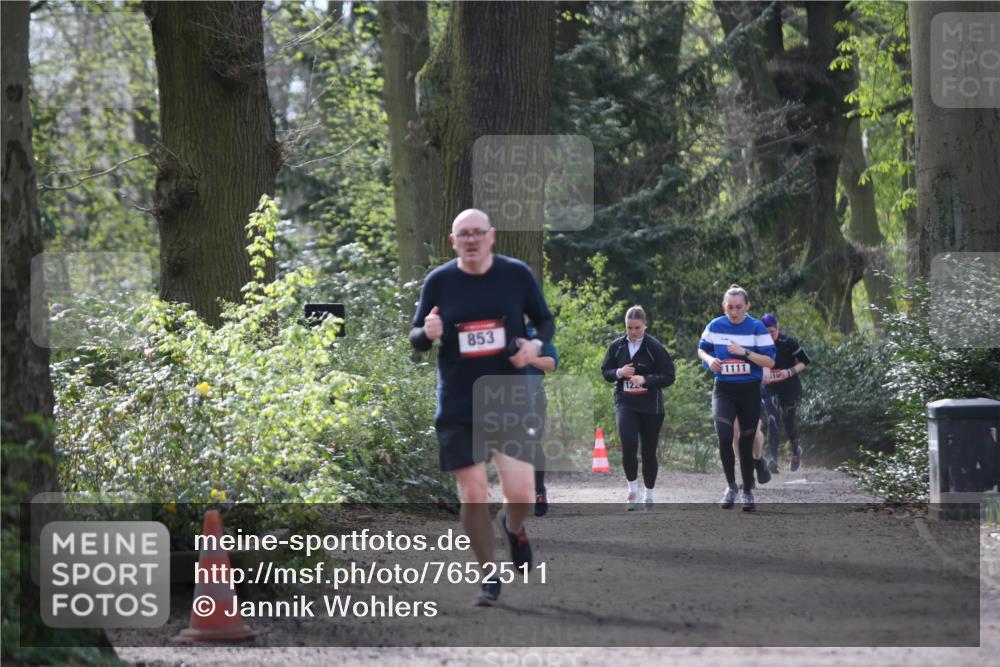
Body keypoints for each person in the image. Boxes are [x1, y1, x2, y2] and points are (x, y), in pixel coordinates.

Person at [410, 209, 555, 606]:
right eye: (463, 235)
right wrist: (427, 332)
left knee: (522, 493)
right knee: (473, 492)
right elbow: (416, 336)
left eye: (478, 233)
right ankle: (489, 576)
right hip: (458, 403)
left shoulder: (516, 274)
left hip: (508, 399)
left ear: (491, 237)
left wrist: (534, 346)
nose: (471, 240)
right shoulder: (439, 282)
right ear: (454, 242)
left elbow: (544, 321)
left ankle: (512, 524)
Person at [698, 285, 775, 512]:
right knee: (724, 435)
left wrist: (745, 353)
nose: (734, 312)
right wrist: (710, 358)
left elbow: (770, 362)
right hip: (724, 389)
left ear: (747, 306)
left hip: (749, 390)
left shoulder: (757, 328)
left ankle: (747, 491)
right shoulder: (715, 325)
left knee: (745, 440)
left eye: (738, 307)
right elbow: (701, 349)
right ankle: (731, 486)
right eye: (730, 307)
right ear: (724, 306)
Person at [601, 306, 676, 511]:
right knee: (628, 444)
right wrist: (619, 372)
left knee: (648, 451)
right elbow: (605, 371)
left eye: (636, 327)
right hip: (625, 402)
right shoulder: (617, 346)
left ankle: (649, 493)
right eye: (628, 327)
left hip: (651, 406)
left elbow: (669, 376)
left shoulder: (654, 347)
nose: (632, 332)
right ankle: (632, 490)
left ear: (645, 325)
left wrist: (646, 379)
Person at [760, 313, 811, 472]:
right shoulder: (759, 345)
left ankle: (796, 451)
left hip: (789, 387)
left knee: (788, 421)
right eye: (766, 333)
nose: (770, 336)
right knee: (773, 421)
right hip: (771, 388)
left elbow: (805, 361)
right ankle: (773, 459)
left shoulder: (788, 342)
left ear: (777, 329)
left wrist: (790, 371)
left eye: (772, 332)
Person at [524, 316, 558, 517]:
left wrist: (528, 357)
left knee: (533, 444)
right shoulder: (499, 330)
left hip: (533, 398)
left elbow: (552, 363)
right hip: (502, 398)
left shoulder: (537, 333)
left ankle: (539, 492)